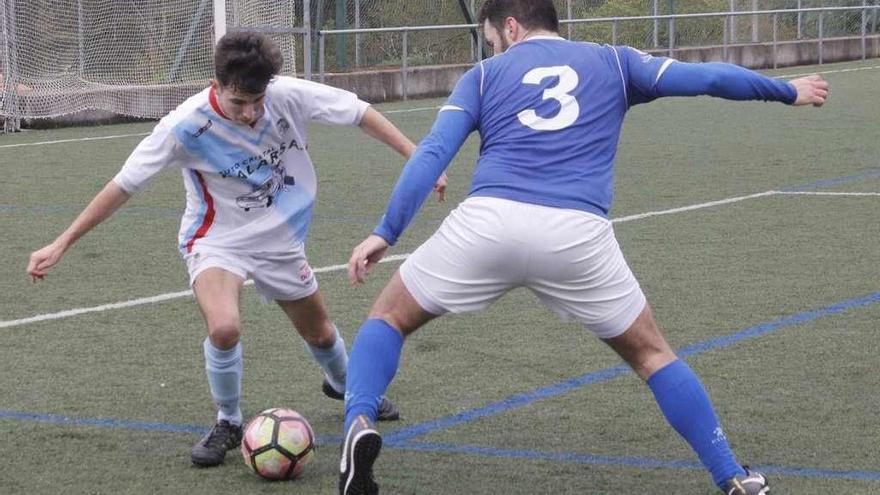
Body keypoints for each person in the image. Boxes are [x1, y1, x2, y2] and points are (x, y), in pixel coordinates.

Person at [337, 1, 829, 494]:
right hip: (576, 234)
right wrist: (786, 91)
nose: (490, 47)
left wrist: (387, 231)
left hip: (488, 223)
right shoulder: (615, 60)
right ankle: (734, 478)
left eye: (490, 38)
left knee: (388, 318)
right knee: (653, 356)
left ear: (510, 26)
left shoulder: (484, 76)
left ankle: (359, 422)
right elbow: (709, 78)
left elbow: (433, 153)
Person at [26, 31, 447, 468]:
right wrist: (62, 242)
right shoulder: (183, 126)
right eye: (238, 103)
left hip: (280, 239)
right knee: (224, 326)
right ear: (217, 84)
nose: (250, 114)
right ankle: (228, 420)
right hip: (216, 239)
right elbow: (122, 186)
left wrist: (419, 159)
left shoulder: (286, 95)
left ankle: (349, 390)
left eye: (257, 101)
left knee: (320, 333)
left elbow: (361, 113)